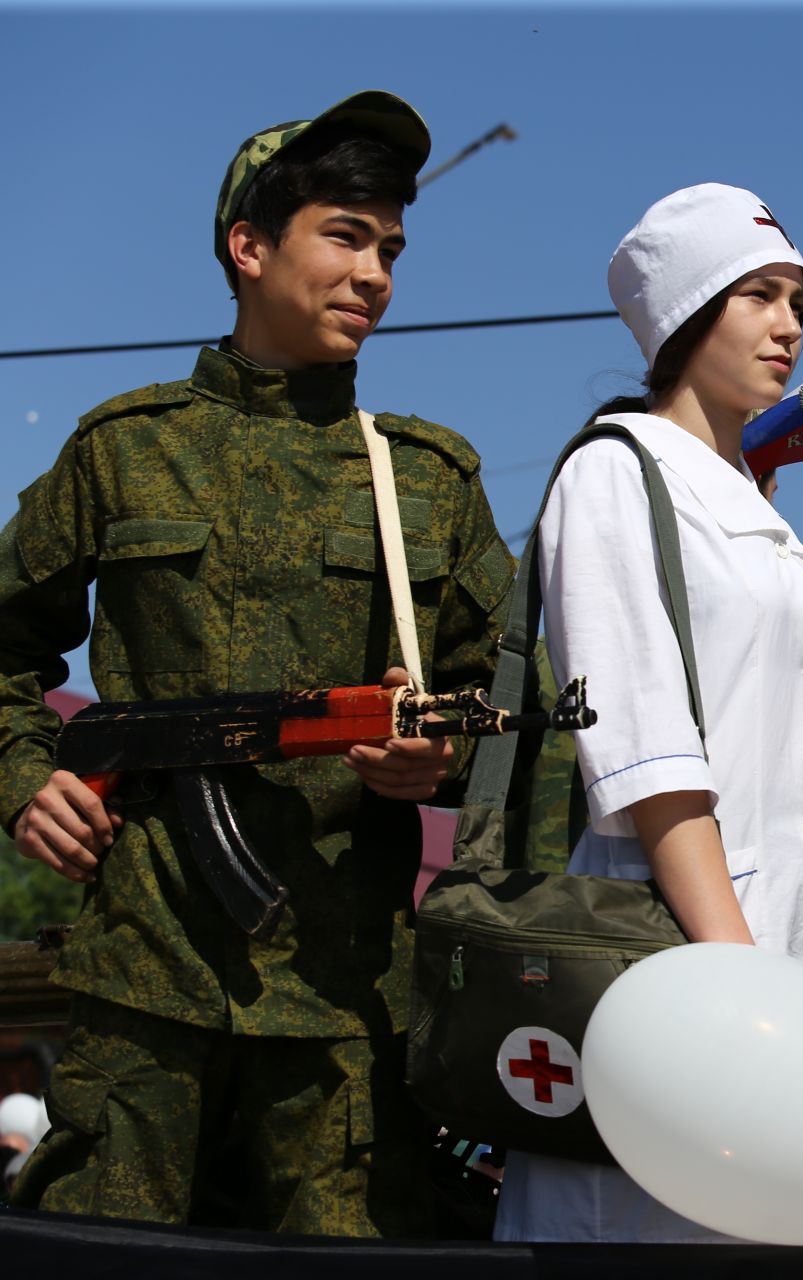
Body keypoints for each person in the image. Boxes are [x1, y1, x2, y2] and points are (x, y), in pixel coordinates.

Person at [2, 91, 514, 1234]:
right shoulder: (124, 450)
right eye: (344, 234)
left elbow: (515, 705)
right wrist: (22, 778)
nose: (374, 272)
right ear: (249, 246)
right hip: (142, 979)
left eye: (389, 247)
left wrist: (437, 755)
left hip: (341, 1004)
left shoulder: (427, 479)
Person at [493, 183, 803, 1243]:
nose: (789, 325)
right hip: (680, 950)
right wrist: (741, 983)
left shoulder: (745, 495)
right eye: (758, 295)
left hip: (772, 941)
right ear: (687, 314)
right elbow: (650, 762)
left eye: (799, 300)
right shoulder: (615, 474)